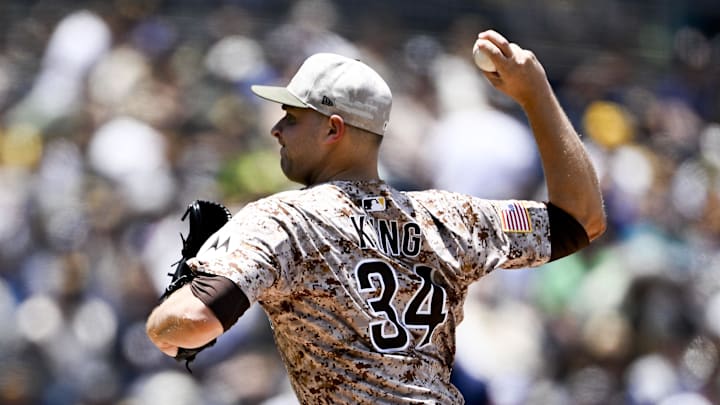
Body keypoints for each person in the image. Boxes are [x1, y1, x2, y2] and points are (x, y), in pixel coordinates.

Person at [146, 30, 606, 404]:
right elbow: (581, 219)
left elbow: (192, 322)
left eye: (291, 116)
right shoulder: (448, 216)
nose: (277, 129)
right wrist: (536, 94)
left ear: (333, 128)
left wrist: (165, 317)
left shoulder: (283, 218)